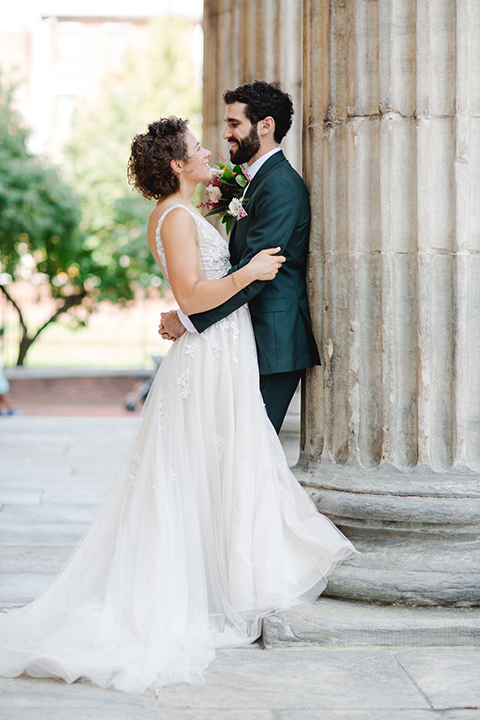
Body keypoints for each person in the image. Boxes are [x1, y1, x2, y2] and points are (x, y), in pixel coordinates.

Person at [0, 117, 357, 695]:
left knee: (221, 464)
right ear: (175, 164)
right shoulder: (174, 218)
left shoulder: (185, 213)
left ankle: (227, 576)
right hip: (209, 354)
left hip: (221, 350)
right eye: (195, 147)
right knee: (202, 468)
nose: (207, 150)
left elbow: (191, 298)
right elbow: (191, 295)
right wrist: (251, 271)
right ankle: (205, 590)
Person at [159, 81, 320, 433]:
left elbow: (259, 272)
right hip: (248, 338)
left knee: (254, 457)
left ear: (265, 126)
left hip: (272, 342)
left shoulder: (278, 186)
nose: (226, 133)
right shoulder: (256, 181)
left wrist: (187, 320)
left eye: (234, 124)